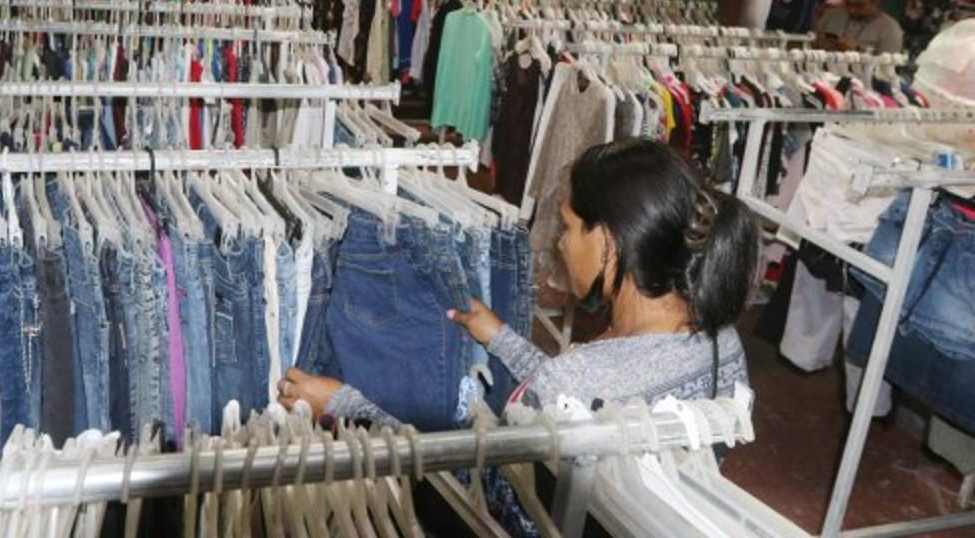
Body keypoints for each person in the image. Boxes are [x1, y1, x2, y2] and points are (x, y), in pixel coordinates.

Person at [277, 139, 758, 426]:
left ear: (607, 241)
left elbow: (473, 485)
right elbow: (582, 404)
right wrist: (502, 338)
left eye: (569, 227)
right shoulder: (721, 343)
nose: (561, 243)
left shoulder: (579, 377)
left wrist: (347, 405)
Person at [814, 0, 904, 53]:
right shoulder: (831, 15)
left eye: (859, 5)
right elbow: (812, 43)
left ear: (876, 1)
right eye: (847, 3)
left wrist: (858, 50)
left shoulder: (890, 29)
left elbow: (888, 63)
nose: (851, 10)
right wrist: (817, 44)